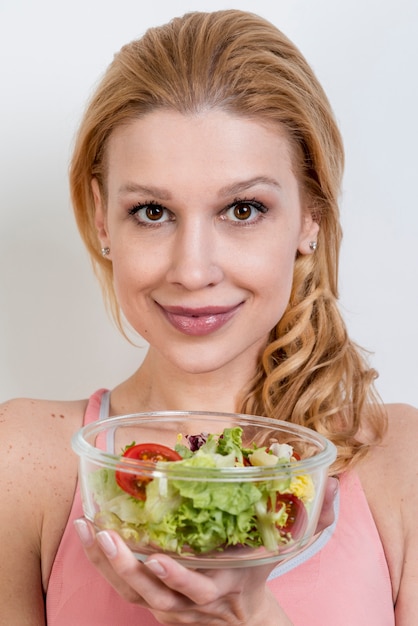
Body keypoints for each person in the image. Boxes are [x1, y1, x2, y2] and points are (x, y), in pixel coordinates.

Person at [0, 9, 416, 626]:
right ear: (99, 216)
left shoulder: (398, 460)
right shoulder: (24, 462)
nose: (193, 271)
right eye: (151, 212)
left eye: (243, 209)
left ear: (311, 216)